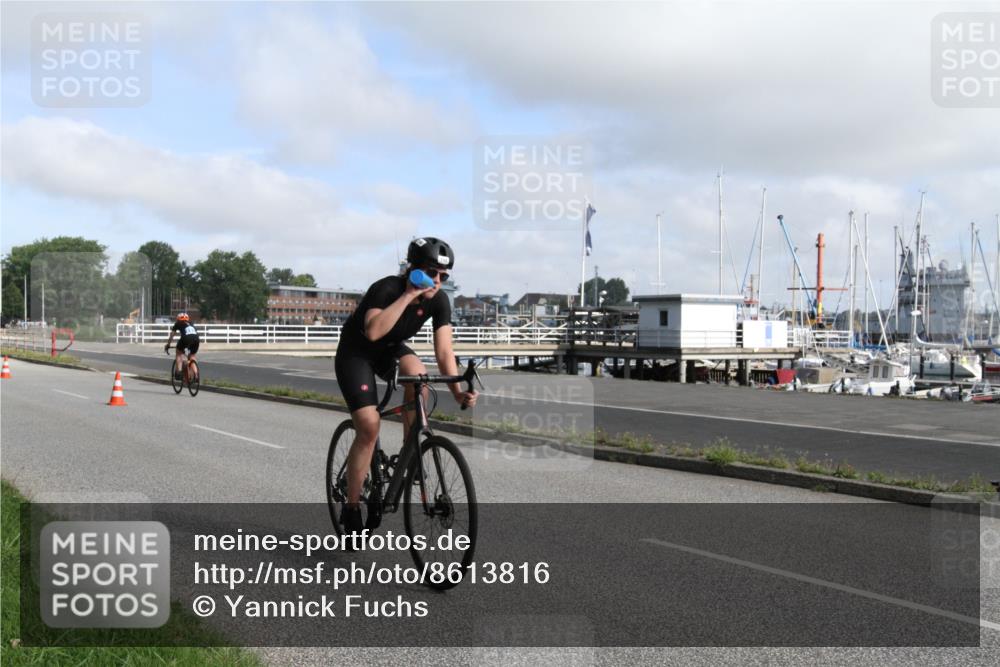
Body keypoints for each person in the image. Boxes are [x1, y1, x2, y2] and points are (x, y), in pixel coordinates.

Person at [334, 237, 477, 536]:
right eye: (431, 273)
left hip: (389, 350)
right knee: (369, 426)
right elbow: (373, 332)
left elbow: (444, 353)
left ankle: (408, 454)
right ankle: (350, 506)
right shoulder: (387, 288)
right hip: (356, 353)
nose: (437, 281)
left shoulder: (439, 300)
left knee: (420, 377)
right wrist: (409, 295)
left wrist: (456, 390)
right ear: (413, 270)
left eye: (443, 276)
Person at [164, 313, 199, 381]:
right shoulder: (191, 323)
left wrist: (168, 344)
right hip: (196, 339)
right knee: (192, 356)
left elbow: (172, 335)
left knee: (179, 353)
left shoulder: (178, 323)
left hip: (186, 339)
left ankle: (179, 372)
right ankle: (196, 375)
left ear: (178, 319)